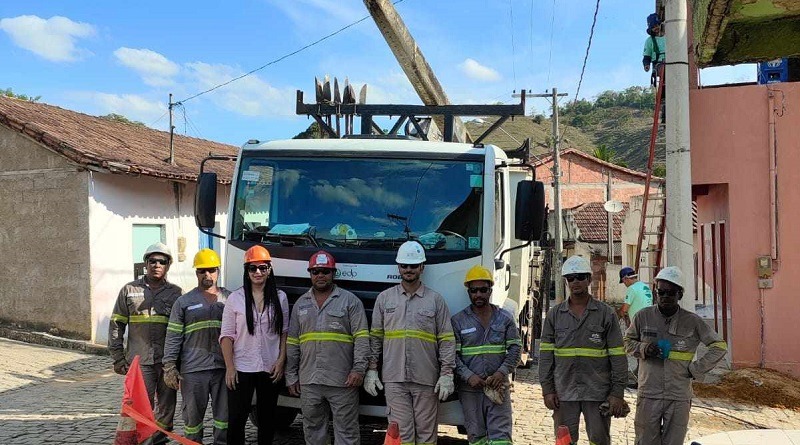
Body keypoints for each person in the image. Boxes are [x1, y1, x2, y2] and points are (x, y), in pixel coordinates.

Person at [365, 240, 456, 445]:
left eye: (413, 265)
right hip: (394, 379)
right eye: (404, 265)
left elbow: (446, 339)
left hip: (426, 379)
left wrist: (447, 373)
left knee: (426, 435)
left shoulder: (435, 300)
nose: (408, 269)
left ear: (422, 267)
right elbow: (376, 337)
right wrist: (371, 369)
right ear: (398, 267)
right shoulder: (384, 299)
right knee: (400, 435)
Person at [624, 266, 727, 445]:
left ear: (679, 294)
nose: (664, 297)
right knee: (645, 441)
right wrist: (645, 348)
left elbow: (719, 346)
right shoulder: (643, 317)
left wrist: (696, 369)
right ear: (656, 292)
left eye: (670, 293)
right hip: (649, 392)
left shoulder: (692, 321)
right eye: (661, 292)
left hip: (678, 394)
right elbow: (627, 342)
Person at [539, 255, 628, 445]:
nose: (575, 282)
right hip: (564, 392)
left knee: (599, 440)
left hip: (597, 392)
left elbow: (618, 357)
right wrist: (547, 390)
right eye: (571, 278)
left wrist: (617, 393)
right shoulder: (555, 315)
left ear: (589, 279)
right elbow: (546, 356)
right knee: (565, 441)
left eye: (580, 277)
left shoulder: (605, 314)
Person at [285, 250, 370, 445]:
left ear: (333, 273)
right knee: (313, 431)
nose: (320, 275)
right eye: (316, 272)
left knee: (347, 432)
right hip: (309, 381)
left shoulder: (350, 302)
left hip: (343, 382)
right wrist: (291, 376)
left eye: (325, 271)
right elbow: (292, 343)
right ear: (310, 274)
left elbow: (362, 338)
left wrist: (358, 369)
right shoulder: (301, 305)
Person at [108, 242, 183, 445]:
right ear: (145, 263)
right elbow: (117, 324)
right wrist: (118, 358)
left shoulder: (176, 293)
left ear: (168, 265)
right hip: (140, 361)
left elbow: (181, 330)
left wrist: (178, 362)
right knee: (142, 405)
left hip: (167, 361)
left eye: (162, 261)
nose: (157, 265)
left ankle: (159, 440)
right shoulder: (129, 290)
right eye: (152, 261)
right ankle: (144, 440)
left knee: (167, 406)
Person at [220, 245, 289, 445]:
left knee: (267, 420)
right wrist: (230, 367)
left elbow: (284, 332)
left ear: (269, 269)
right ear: (246, 271)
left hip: (270, 367)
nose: (258, 272)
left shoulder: (280, 298)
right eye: (253, 268)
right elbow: (226, 336)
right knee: (236, 420)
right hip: (242, 366)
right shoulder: (235, 299)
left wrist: (281, 360)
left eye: (262, 267)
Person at [163, 249, 231, 444]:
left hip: (223, 369)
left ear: (218, 271)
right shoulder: (183, 302)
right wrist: (169, 366)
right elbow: (173, 335)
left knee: (224, 419)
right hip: (193, 370)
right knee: (192, 420)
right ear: (196, 273)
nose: (207, 275)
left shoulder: (231, 299)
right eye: (202, 271)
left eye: (211, 270)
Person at [451, 265, 521, 445]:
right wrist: (468, 376)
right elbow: (452, 355)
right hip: (470, 390)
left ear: (490, 290)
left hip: (498, 388)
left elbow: (515, 349)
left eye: (483, 290)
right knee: (477, 438)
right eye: (474, 290)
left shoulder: (505, 318)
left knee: (501, 439)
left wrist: (501, 373)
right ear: (469, 292)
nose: (478, 294)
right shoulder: (458, 321)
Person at [643, 12, 667, 122]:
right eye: (653, 27)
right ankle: (664, 105)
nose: (655, 28)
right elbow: (646, 56)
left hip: (674, 63)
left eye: (656, 25)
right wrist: (646, 65)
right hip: (659, 66)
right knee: (665, 78)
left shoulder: (669, 35)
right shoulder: (649, 41)